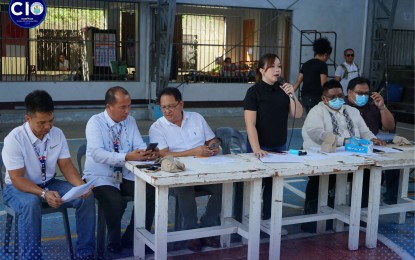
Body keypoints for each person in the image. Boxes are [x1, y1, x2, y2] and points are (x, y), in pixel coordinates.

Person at [1, 90, 95, 260]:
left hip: (49, 183)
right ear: (27, 119)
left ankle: (85, 252)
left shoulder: (57, 134)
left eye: (51, 120)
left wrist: (81, 186)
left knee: (85, 197)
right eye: (41, 122)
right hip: (18, 188)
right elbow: (17, 179)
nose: (47, 127)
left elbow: (66, 166)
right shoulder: (14, 139)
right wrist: (43, 193)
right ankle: (31, 257)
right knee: (31, 202)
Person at [301, 79, 385, 232]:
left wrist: (373, 139)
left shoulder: (352, 111)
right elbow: (316, 133)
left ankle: (361, 215)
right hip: (322, 158)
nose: (337, 99)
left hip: (351, 157)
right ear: (324, 99)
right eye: (332, 97)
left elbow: (364, 130)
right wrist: (342, 140)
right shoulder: (316, 111)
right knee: (321, 182)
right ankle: (313, 220)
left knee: (369, 174)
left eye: (340, 95)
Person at [83, 86, 158, 254]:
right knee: (115, 201)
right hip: (100, 176)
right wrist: (127, 156)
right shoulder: (95, 122)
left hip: (125, 173)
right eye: (122, 107)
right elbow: (97, 154)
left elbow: (138, 144)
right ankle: (113, 240)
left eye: (129, 106)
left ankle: (133, 237)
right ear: (109, 107)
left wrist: (145, 153)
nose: (127, 111)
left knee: (150, 190)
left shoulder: (129, 121)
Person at [149, 87, 222, 252]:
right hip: (179, 175)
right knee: (185, 189)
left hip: (205, 171)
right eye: (163, 107)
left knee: (224, 187)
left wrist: (214, 146)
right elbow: (163, 154)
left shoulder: (196, 118)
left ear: (181, 104)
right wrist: (194, 151)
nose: (167, 111)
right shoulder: (157, 127)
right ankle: (192, 233)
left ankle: (206, 227)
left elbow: (212, 139)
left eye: (171, 106)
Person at [243, 53, 303, 222]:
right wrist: (257, 149)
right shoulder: (253, 92)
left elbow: (297, 114)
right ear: (261, 70)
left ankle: (270, 219)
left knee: (274, 186)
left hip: (279, 145)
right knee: (255, 185)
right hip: (260, 146)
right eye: (272, 66)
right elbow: (250, 124)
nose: (277, 70)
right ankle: (250, 220)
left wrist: (292, 95)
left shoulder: (283, 90)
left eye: (279, 66)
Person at [345, 77, 398, 204]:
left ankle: (391, 199)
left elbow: (389, 126)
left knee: (395, 165)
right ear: (349, 92)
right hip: (347, 150)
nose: (363, 96)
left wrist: (382, 107)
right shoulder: (341, 107)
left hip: (370, 149)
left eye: (366, 93)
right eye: (360, 93)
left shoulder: (372, 107)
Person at [293, 37, 332, 113]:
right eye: (328, 56)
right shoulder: (322, 65)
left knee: (310, 116)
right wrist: (328, 97)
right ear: (325, 55)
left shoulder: (305, 64)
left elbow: (298, 82)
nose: (327, 59)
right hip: (316, 97)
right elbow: (323, 84)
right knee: (317, 118)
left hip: (304, 97)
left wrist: (289, 93)